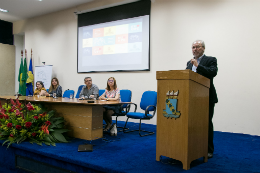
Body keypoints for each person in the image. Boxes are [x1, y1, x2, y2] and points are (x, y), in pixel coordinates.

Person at [186, 40, 218, 158]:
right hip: (191, 98)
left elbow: (212, 72)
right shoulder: (189, 63)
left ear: (203, 48)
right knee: (193, 123)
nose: (195, 49)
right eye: (193, 47)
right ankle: (195, 146)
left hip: (207, 97)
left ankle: (209, 150)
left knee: (206, 123)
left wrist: (198, 66)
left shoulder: (211, 60)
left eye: (197, 47)